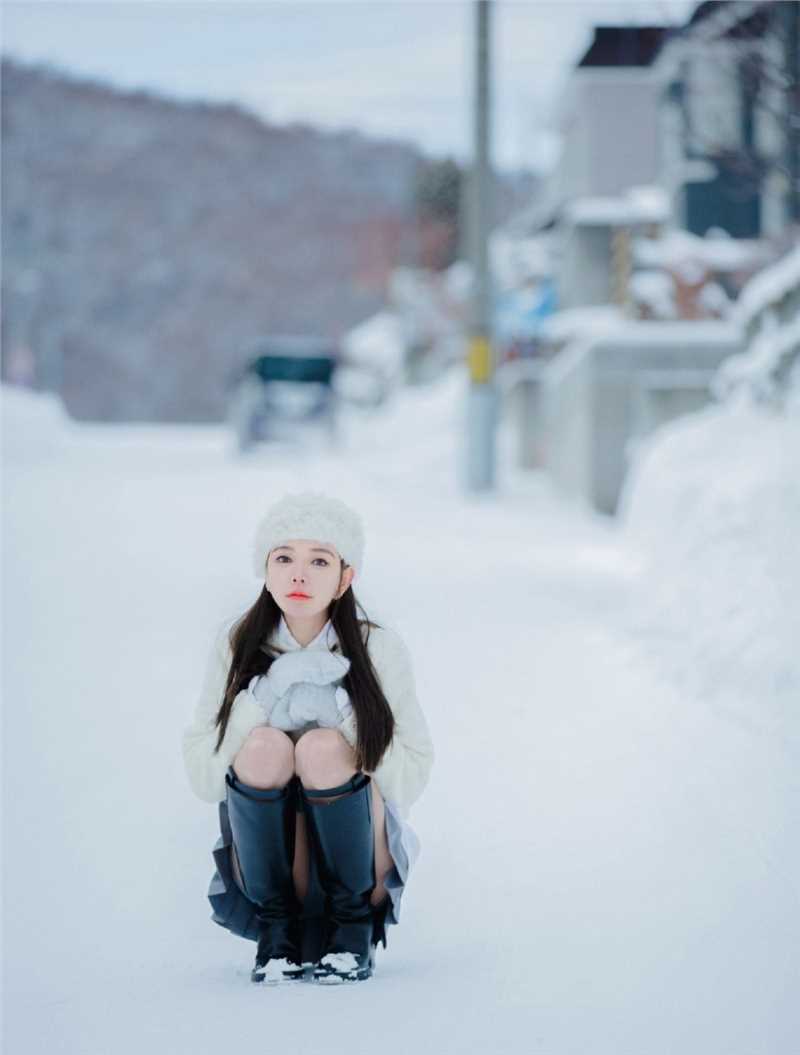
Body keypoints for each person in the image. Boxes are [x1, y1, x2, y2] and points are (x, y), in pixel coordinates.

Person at [181, 491, 435, 985]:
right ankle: (277, 933)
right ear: (266, 569)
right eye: (284, 558)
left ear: (346, 576)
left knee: (320, 749)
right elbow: (204, 775)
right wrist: (264, 699)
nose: (299, 575)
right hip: (272, 872)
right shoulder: (237, 644)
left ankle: (351, 930)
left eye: (319, 560)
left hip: (362, 866)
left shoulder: (375, 647)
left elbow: (412, 775)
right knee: (264, 748)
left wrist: (343, 715)